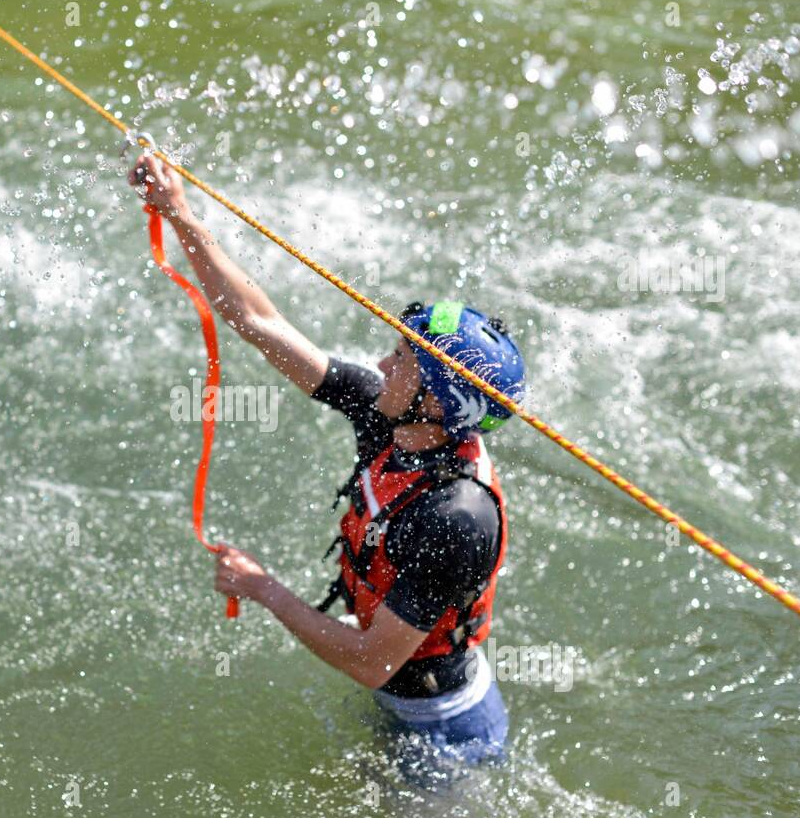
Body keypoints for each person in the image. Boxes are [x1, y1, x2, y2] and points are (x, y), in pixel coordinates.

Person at [129, 154, 527, 766]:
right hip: (396, 698)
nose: (384, 363)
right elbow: (258, 322)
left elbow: (371, 661)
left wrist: (264, 589)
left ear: (437, 405)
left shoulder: (456, 516)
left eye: (405, 361)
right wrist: (180, 216)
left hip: (447, 734)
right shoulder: (391, 417)